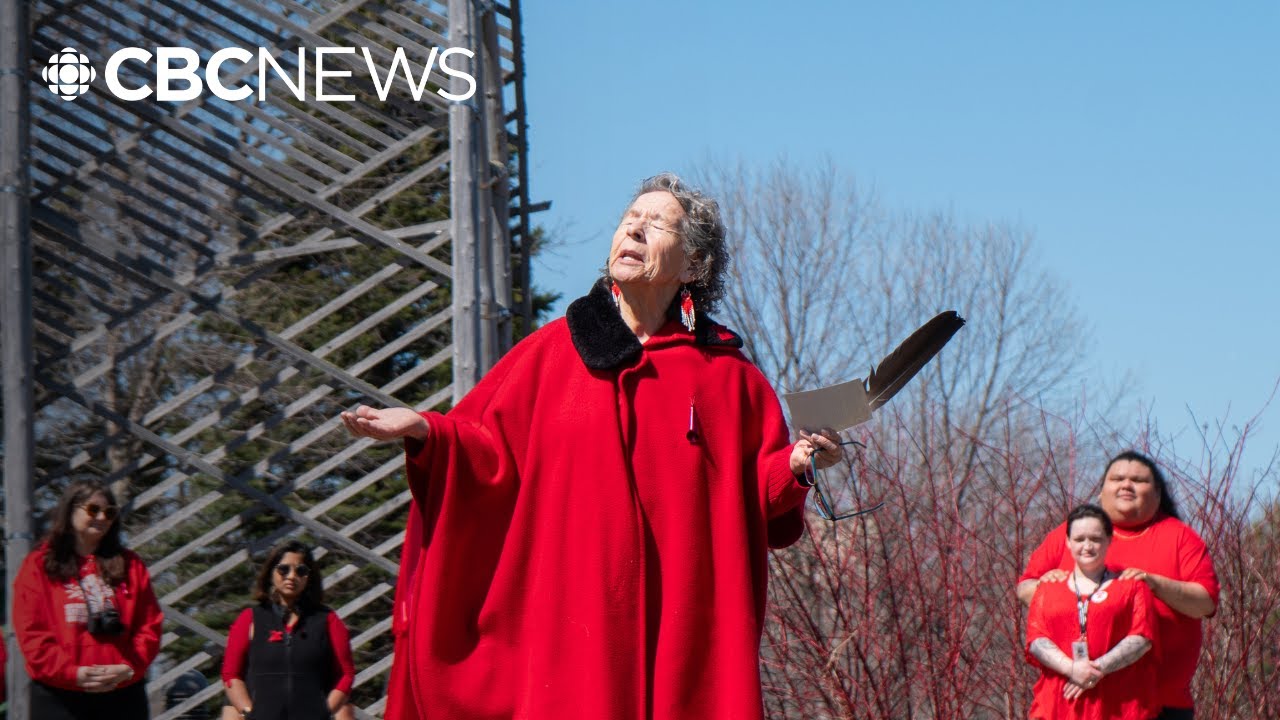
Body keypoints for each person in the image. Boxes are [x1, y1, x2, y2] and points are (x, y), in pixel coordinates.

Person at [341, 172, 843, 719]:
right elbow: (485, 450)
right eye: (630, 219)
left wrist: (798, 463)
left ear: (693, 265)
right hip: (574, 628)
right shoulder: (551, 354)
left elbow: (754, 498)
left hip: (684, 636)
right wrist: (425, 430)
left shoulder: (729, 377)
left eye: (656, 224)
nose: (634, 229)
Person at [1017, 451, 1219, 719]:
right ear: (1101, 491)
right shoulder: (1074, 532)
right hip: (1070, 700)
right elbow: (1026, 588)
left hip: (1156, 700)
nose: (1126, 484)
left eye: (1138, 480)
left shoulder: (1180, 536)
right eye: (1117, 478)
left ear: (1158, 493)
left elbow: (1205, 603)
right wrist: (1052, 588)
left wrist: (1154, 584)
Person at [13, 479, 164, 720]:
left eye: (110, 512)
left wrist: (128, 668)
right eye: (93, 509)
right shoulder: (39, 565)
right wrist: (73, 673)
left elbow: (149, 625)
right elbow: (31, 633)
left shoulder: (130, 564)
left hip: (122, 694)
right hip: (58, 697)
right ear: (70, 511)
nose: (102, 517)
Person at [1026, 504, 1158, 719]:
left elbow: (1142, 638)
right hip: (1058, 706)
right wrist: (1072, 669)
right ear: (1068, 542)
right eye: (1079, 539)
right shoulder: (1047, 589)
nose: (1087, 546)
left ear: (1109, 539)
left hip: (1118, 705)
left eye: (1095, 539)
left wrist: (1096, 669)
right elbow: (1037, 640)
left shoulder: (1132, 586)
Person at [220, 540, 356, 720]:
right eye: (283, 569)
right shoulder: (250, 618)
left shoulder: (327, 620)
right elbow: (231, 674)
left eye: (300, 571)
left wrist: (324, 711)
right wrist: (248, 712)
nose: (291, 576)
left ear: (309, 577)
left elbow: (345, 674)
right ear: (271, 573)